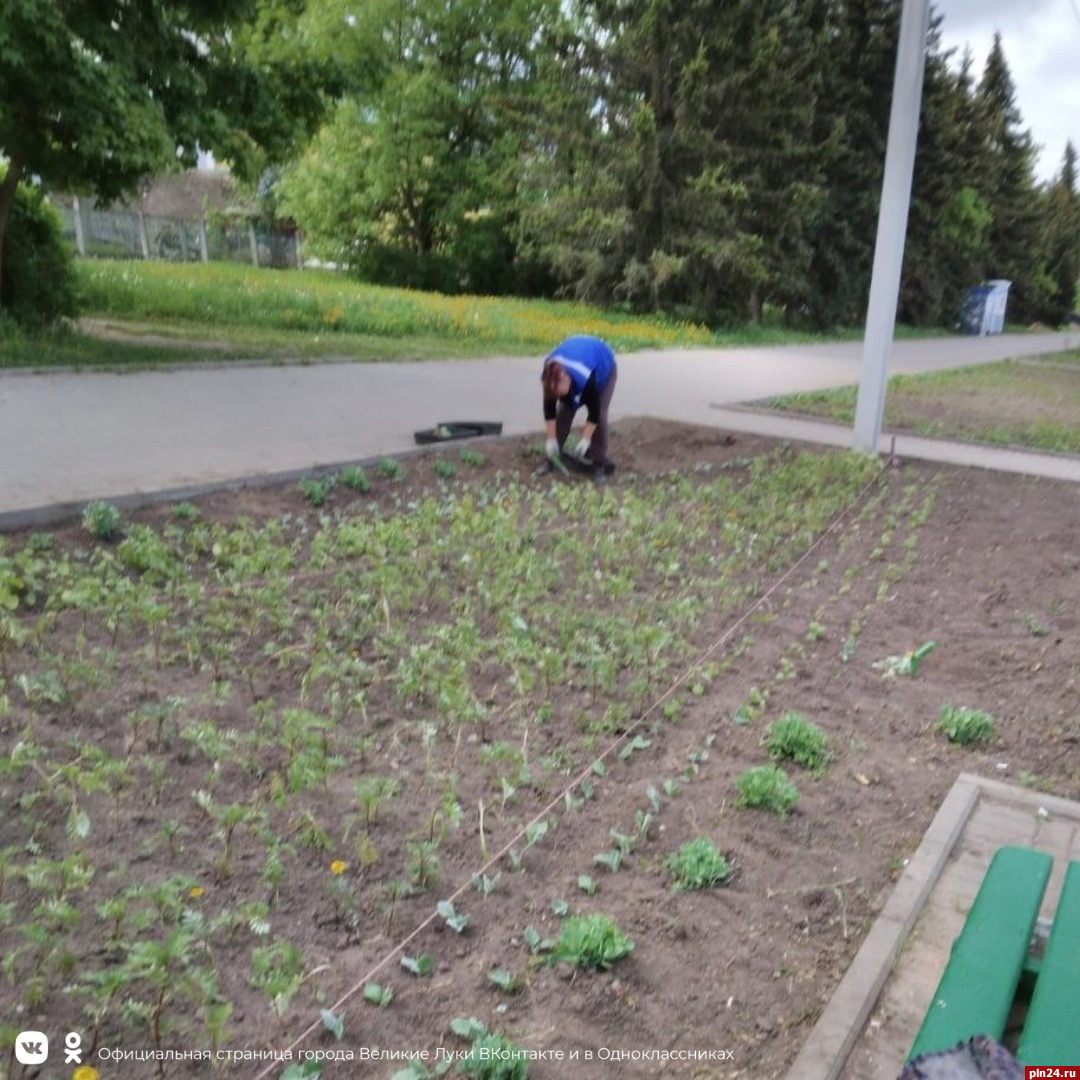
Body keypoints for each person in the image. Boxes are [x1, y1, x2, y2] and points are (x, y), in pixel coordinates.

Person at [540, 335, 618, 484]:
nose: (559, 396)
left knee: (600, 417)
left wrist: (585, 439)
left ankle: (599, 465)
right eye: (556, 394)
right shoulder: (549, 376)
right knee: (564, 413)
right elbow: (549, 408)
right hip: (579, 360)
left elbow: (594, 413)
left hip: (604, 368)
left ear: (567, 379)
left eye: (560, 393)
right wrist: (551, 439)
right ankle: (550, 460)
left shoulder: (585, 378)